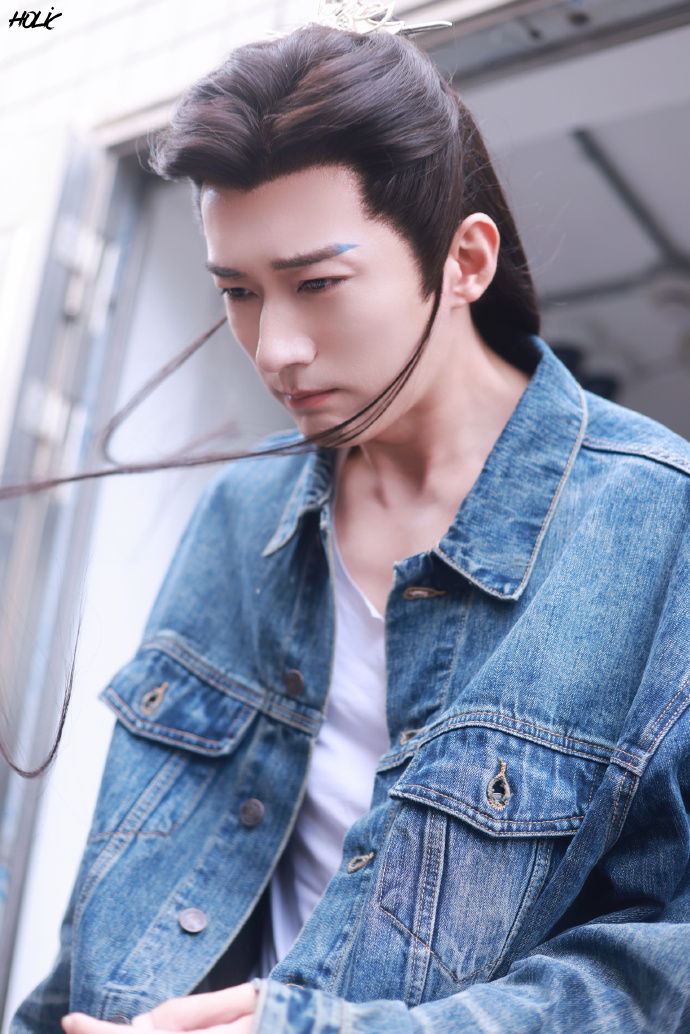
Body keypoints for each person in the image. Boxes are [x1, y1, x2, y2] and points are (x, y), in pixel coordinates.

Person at [11, 5, 690, 1034]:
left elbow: (665, 965)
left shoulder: (659, 526)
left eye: (317, 283)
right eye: (238, 291)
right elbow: (110, 911)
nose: (275, 347)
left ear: (464, 262)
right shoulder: (240, 512)